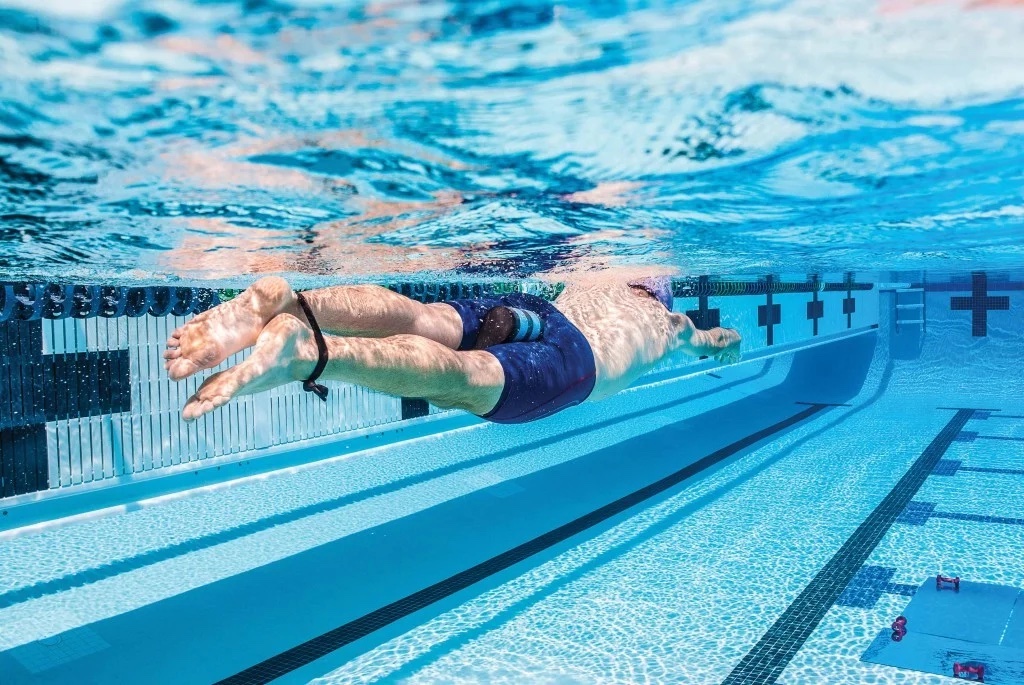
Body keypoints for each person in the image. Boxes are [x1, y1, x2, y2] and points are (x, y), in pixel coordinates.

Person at [164, 274, 742, 423]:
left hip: (537, 308)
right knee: (461, 380)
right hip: (576, 359)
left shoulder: (592, 278)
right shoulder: (667, 320)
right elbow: (713, 342)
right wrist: (723, 346)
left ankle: (297, 306)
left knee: (426, 317)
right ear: (661, 293)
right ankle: (311, 352)